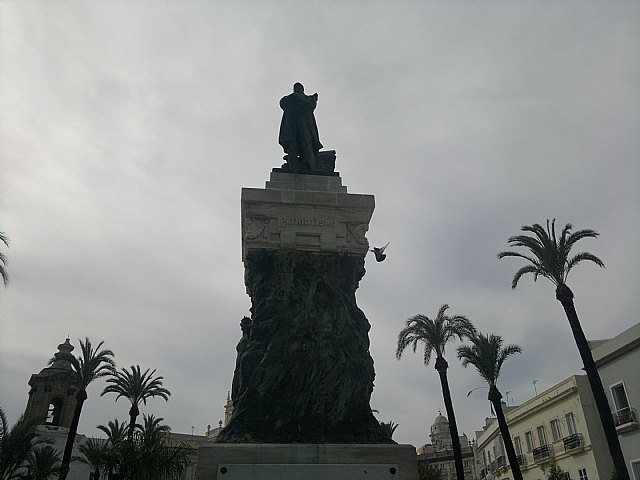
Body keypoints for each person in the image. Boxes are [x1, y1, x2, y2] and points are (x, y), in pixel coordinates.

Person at [278, 83, 323, 171]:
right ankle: (293, 166)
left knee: (307, 143)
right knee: (292, 145)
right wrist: (297, 97)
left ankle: (311, 166)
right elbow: (283, 103)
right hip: (291, 125)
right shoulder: (289, 98)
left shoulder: (307, 99)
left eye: (299, 87)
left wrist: (311, 99)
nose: (298, 89)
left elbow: (311, 105)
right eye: (296, 88)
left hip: (305, 125)